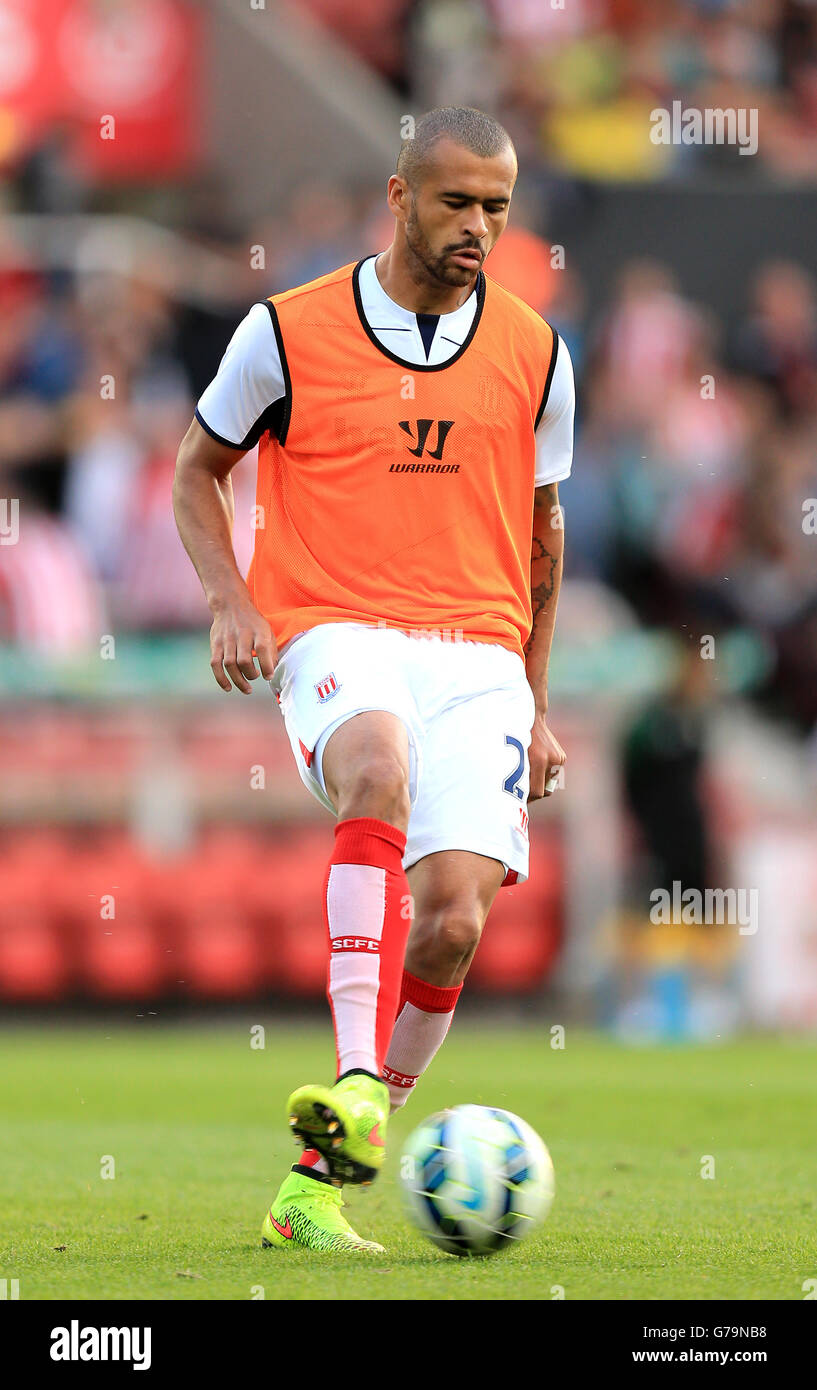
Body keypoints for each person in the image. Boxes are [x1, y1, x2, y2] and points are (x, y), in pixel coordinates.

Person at [173, 106, 575, 1254]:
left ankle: (319, 1182)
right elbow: (197, 469)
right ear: (399, 198)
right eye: (455, 202)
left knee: (450, 924)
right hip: (333, 625)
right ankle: (355, 1077)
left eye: (496, 208)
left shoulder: (537, 354)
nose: (477, 228)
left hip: (480, 654)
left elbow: (545, 536)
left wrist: (536, 705)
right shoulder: (286, 331)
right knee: (376, 768)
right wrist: (230, 599)